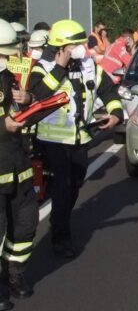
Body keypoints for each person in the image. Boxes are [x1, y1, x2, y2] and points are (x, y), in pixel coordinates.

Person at [28, 19, 123, 259]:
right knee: (62, 188)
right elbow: (37, 95)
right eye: (77, 43)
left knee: (75, 186)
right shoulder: (44, 67)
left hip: (81, 138)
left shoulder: (89, 65)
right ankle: (61, 236)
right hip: (53, 141)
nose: (84, 47)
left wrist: (115, 114)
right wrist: (59, 68)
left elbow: (108, 91)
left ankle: (60, 221)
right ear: (62, 46)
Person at [0, 19, 37, 304]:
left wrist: (28, 98)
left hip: (19, 166)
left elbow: (16, 108)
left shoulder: (9, 76)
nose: (10, 59)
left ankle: (15, 275)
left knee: (24, 225)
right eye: (4, 54)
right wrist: (4, 126)